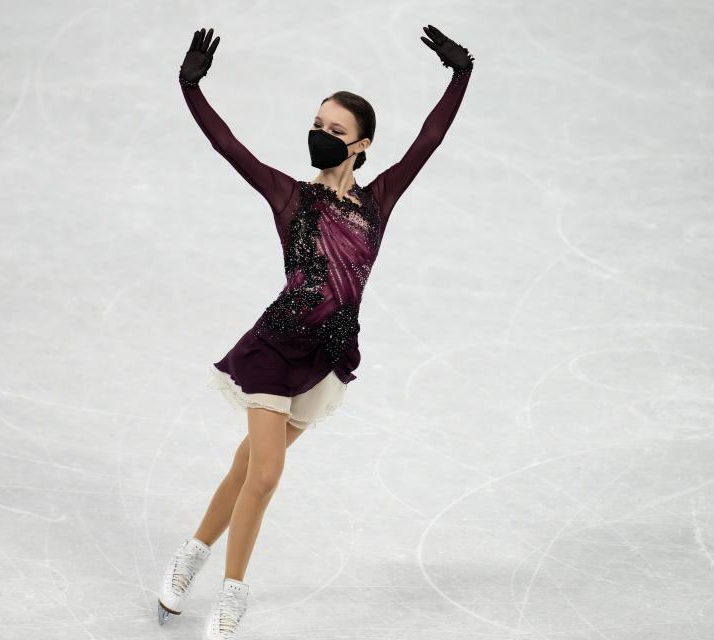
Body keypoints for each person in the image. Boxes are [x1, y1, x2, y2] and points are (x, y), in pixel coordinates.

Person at [157, 25, 475, 639]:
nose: (320, 137)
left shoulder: (377, 202)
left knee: (248, 465)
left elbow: (428, 141)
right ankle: (231, 596)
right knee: (268, 473)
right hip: (276, 348)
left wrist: (460, 77)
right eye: (317, 125)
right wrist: (190, 87)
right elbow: (228, 145)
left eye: (336, 132)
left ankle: (190, 553)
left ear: (361, 147)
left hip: (326, 356)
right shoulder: (290, 197)